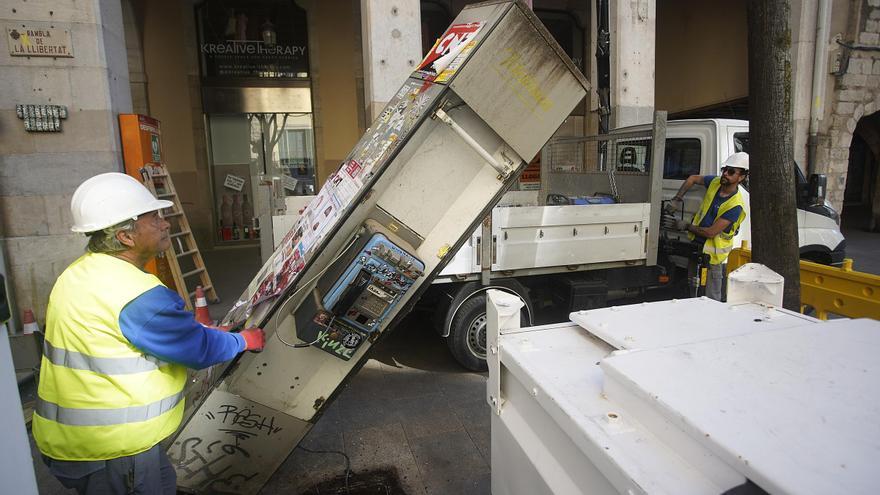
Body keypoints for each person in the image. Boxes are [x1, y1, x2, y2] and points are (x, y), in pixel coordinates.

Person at [32, 172, 265, 494]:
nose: (165, 223)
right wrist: (241, 339)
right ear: (126, 236)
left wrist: (197, 329)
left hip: (74, 440)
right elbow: (197, 350)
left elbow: (121, 333)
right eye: (153, 216)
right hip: (116, 449)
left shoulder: (79, 273)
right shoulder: (137, 294)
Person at [664, 152, 749, 301]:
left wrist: (685, 226)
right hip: (696, 247)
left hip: (712, 258)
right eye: (725, 169)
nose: (725, 174)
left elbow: (711, 233)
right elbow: (692, 179)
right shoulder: (716, 182)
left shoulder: (735, 206)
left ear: (741, 177)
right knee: (693, 290)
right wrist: (677, 199)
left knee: (711, 298)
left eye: (731, 172)